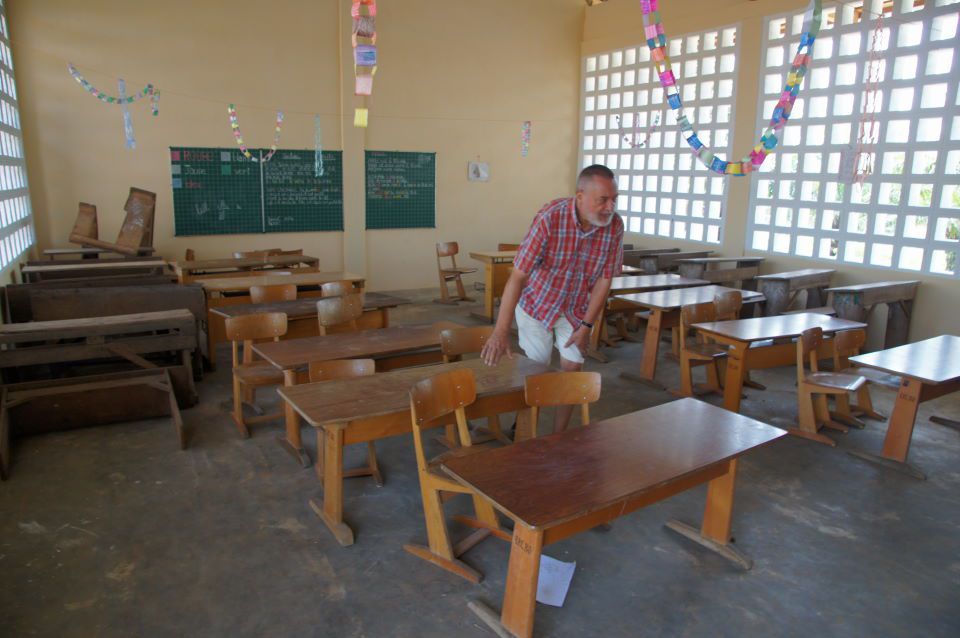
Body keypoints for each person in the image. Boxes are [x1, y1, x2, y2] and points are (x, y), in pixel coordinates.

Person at [480, 164, 623, 433]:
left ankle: (559, 437)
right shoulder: (550, 218)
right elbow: (518, 277)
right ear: (580, 196)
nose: (610, 207)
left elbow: (605, 279)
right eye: (602, 199)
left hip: (575, 308)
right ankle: (523, 431)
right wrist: (500, 331)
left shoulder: (614, 226)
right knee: (537, 373)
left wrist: (587, 326)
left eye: (614, 199)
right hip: (538, 305)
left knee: (572, 370)